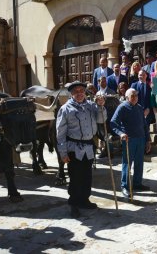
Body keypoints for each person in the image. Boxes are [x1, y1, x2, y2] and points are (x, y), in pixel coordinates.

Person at [56, 81, 106, 218]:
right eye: (76, 91)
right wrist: (63, 152)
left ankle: (84, 200)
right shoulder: (65, 109)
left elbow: (102, 119)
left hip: (89, 146)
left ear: (85, 92)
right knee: (75, 177)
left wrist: (101, 106)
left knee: (87, 176)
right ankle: (74, 204)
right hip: (74, 148)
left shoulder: (91, 106)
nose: (79, 93)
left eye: (81, 91)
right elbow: (60, 133)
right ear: (71, 94)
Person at [111, 88, 152, 198]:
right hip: (129, 139)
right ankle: (124, 186)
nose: (135, 98)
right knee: (127, 163)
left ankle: (137, 183)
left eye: (136, 96)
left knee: (139, 162)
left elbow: (144, 125)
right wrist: (120, 134)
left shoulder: (139, 108)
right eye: (132, 96)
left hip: (140, 139)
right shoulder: (122, 107)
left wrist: (148, 140)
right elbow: (113, 123)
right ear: (127, 97)